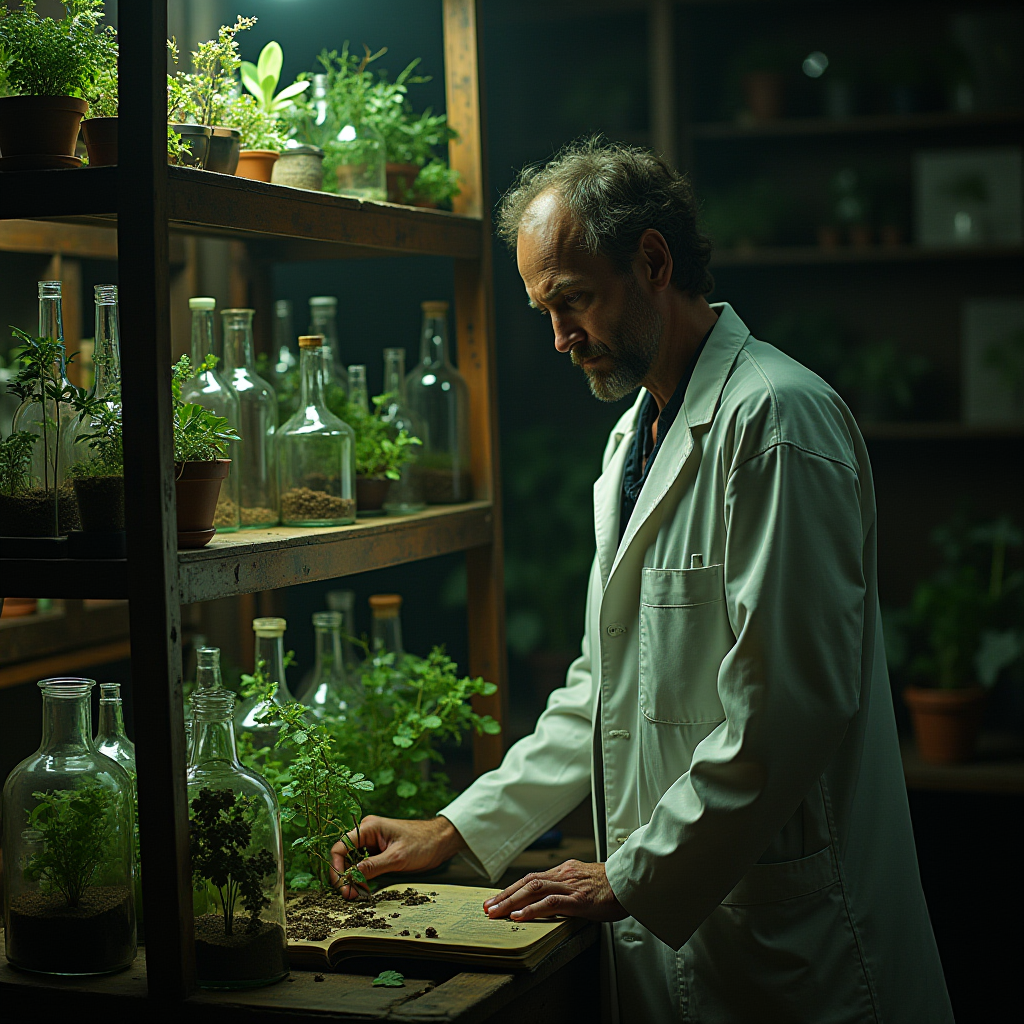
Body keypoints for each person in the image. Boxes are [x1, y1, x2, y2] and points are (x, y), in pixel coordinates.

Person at [332, 139, 954, 1024]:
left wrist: (632, 873)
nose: (558, 337)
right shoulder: (635, 439)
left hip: (796, 951)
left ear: (653, 262)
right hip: (695, 943)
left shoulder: (776, 420)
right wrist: (461, 829)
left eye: (574, 300)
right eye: (543, 310)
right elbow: (601, 688)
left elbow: (789, 707)